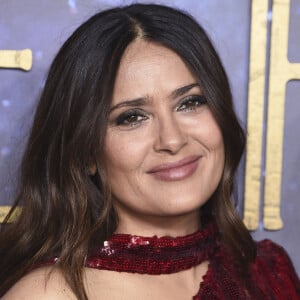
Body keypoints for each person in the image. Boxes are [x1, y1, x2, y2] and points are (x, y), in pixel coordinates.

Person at [0, 3, 299, 300]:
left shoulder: (268, 269)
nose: (172, 140)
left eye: (190, 103)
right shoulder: (48, 295)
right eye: (132, 117)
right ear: (85, 152)